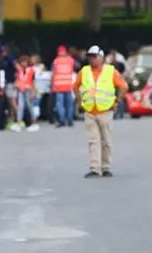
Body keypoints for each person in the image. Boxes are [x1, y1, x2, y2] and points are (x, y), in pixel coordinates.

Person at [74, 46, 128, 178]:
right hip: (90, 111)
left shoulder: (110, 71)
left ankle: (105, 167)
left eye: (94, 56)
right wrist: (80, 102)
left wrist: (116, 102)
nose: (91, 59)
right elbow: (75, 86)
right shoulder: (84, 71)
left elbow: (124, 86)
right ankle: (95, 168)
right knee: (93, 141)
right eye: (89, 57)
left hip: (105, 111)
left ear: (102, 58)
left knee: (106, 141)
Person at [51, 45, 76, 127]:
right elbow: (74, 69)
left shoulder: (55, 61)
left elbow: (53, 74)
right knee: (69, 104)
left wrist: (52, 86)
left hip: (58, 86)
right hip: (68, 85)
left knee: (59, 104)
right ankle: (70, 121)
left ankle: (62, 120)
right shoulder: (71, 60)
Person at [13, 55, 39, 131]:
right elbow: (18, 79)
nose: (23, 63)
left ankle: (34, 123)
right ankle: (18, 123)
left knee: (30, 106)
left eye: (25, 62)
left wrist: (33, 92)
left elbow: (33, 81)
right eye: (22, 62)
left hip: (28, 90)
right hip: (21, 90)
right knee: (20, 106)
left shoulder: (31, 70)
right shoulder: (19, 70)